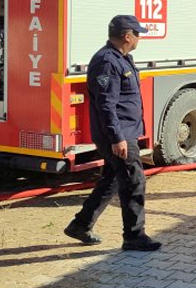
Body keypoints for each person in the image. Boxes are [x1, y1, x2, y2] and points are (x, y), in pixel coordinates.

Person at [64, 15, 161, 252]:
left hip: (124, 131)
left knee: (113, 179)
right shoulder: (107, 61)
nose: (139, 38)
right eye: (137, 34)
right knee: (134, 181)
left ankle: (80, 225)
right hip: (118, 135)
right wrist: (117, 137)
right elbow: (106, 104)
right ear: (127, 36)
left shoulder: (122, 58)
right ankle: (134, 236)